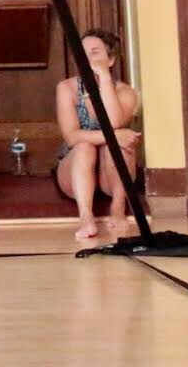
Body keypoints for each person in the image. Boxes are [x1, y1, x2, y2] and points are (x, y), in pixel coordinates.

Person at [55, 29, 141, 241]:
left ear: (110, 59)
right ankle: (86, 216)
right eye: (82, 52)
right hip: (76, 169)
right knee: (85, 146)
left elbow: (113, 122)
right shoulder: (66, 88)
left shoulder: (126, 92)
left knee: (120, 146)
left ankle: (118, 207)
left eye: (94, 52)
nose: (87, 58)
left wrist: (103, 77)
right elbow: (72, 137)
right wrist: (115, 136)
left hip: (109, 174)